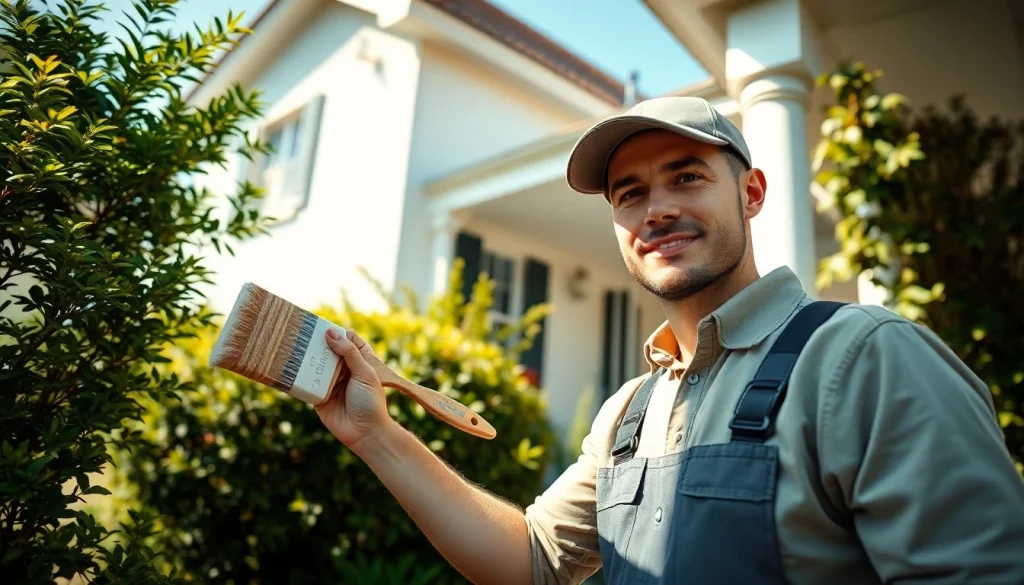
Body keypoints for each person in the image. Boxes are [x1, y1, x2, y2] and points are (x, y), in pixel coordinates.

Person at [315, 96, 1024, 585]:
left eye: (687, 176)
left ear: (750, 192)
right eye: (629, 194)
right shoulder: (629, 411)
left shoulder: (864, 357)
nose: (657, 210)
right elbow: (531, 561)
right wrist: (378, 435)